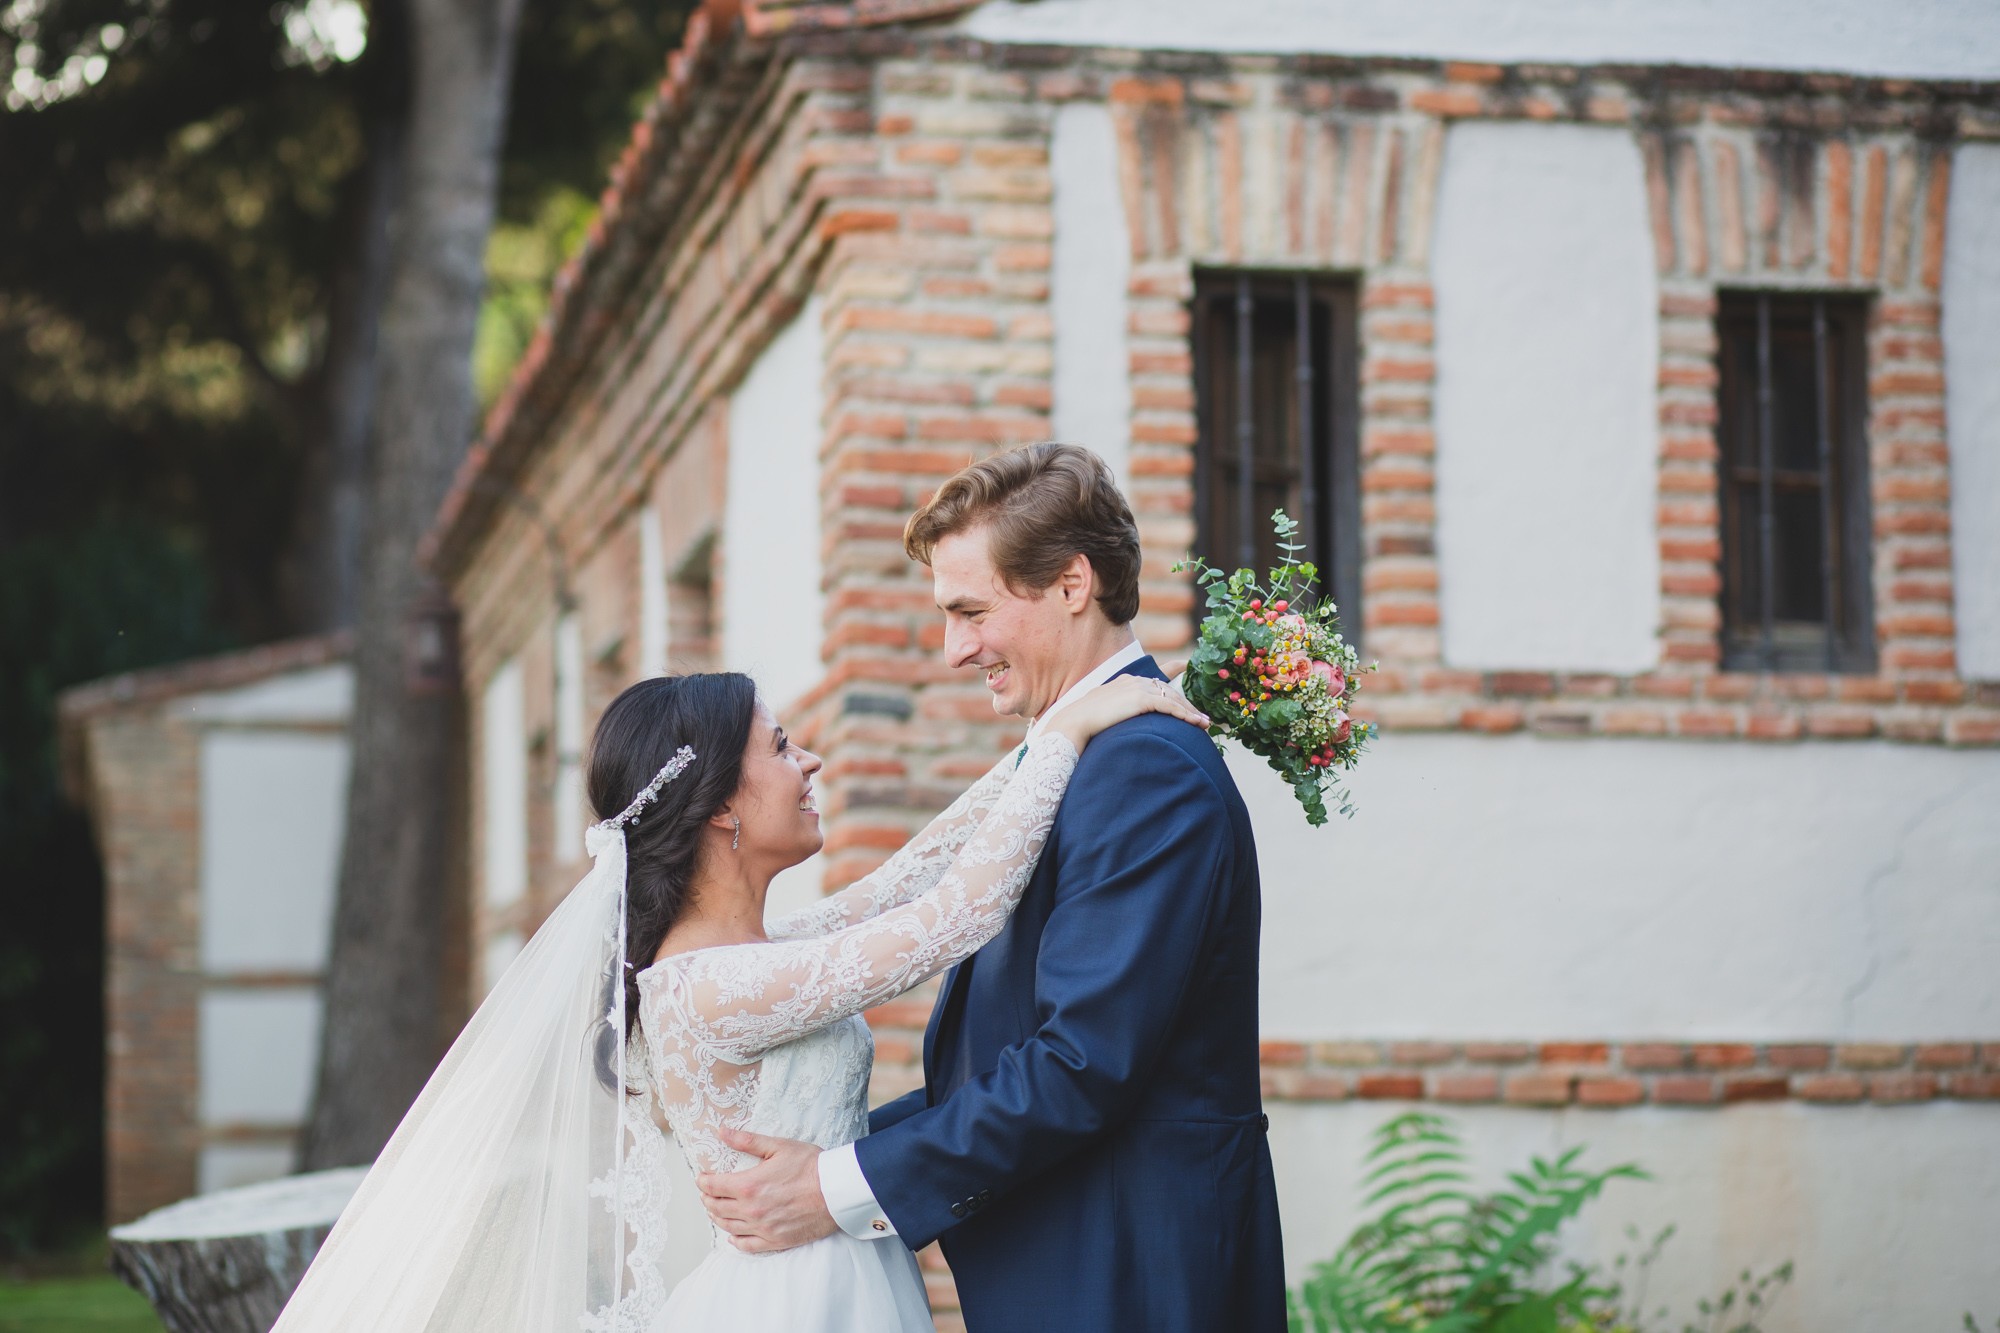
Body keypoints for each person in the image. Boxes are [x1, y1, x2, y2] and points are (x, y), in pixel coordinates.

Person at [268, 657, 1202, 1331]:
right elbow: (957, 916)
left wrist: (1056, 727)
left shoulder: (752, 954)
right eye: (783, 746)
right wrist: (1070, 736)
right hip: (798, 1304)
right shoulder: (713, 988)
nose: (812, 764)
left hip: (844, 1274)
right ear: (719, 804)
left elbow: (918, 874)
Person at [696, 443, 1287, 1332]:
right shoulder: (1080, 756)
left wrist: (832, 1188)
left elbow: (1079, 1065)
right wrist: (831, 1157)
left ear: (1072, 584)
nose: (952, 650)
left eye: (970, 611)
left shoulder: (1142, 771)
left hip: (1132, 1277)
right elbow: (998, 1055)